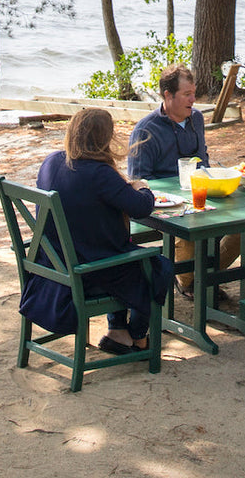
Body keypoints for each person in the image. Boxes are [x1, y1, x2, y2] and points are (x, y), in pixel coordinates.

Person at [22, 108, 173, 355]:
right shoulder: (98, 173)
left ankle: (118, 333)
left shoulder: (51, 161)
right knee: (159, 267)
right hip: (87, 271)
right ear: (104, 138)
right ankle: (138, 337)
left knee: (119, 252)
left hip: (51, 263)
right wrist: (142, 187)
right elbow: (141, 207)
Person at [126, 64, 238, 292]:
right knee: (188, 231)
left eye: (194, 93)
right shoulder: (145, 130)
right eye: (187, 94)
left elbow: (203, 161)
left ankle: (206, 277)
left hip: (201, 196)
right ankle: (190, 283)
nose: (193, 100)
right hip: (165, 208)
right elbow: (138, 181)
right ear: (168, 95)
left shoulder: (196, 118)